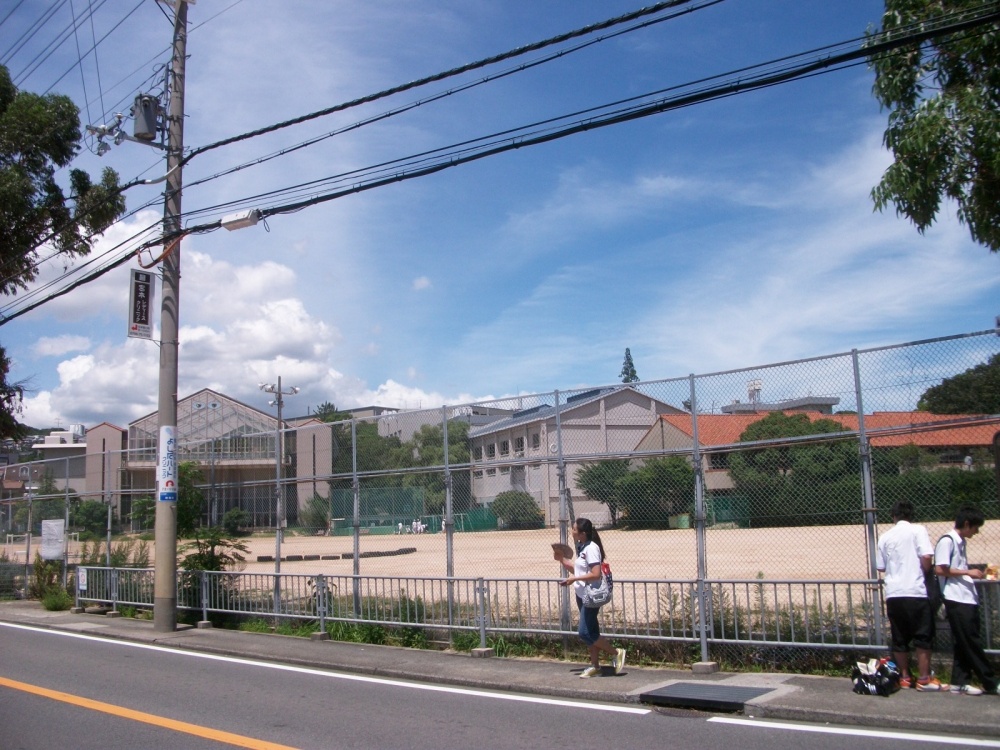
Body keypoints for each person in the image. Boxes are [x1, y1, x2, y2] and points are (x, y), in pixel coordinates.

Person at [875, 500, 947, 691]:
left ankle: (905, 677)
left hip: (894, 593)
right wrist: (925, 570)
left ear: (893, 516)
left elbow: (881, 566)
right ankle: (924, 678)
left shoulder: (885, 536)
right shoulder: (918, 530)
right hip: (916, 591)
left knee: (899, 637)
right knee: (923, 636)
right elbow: (926, 556)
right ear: (911, 515)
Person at [935, 506, 999, 696]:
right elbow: (940, 569)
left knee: (963, 642)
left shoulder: (960, 542)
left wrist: (976, 574)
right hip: (956, 598)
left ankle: (959, 681)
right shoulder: (947, 541)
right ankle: (990, 682)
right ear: (966, 524)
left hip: (966, 597)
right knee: (971, 641)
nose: (976, 532)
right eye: (975, 528)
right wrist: (967, 572)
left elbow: (956, 568)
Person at [554, 517, 626, 678]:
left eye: (574, 529)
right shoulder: (583, 547)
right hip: (582, 595)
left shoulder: (592, 548)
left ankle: (616, 652)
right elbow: (578, 570)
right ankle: (595, 666)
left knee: (585, 633)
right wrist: (562, 559)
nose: (572, 531)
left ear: (582, 533)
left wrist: (574, 579)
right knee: (592, 631)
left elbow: (595, 574)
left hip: (591, 596)